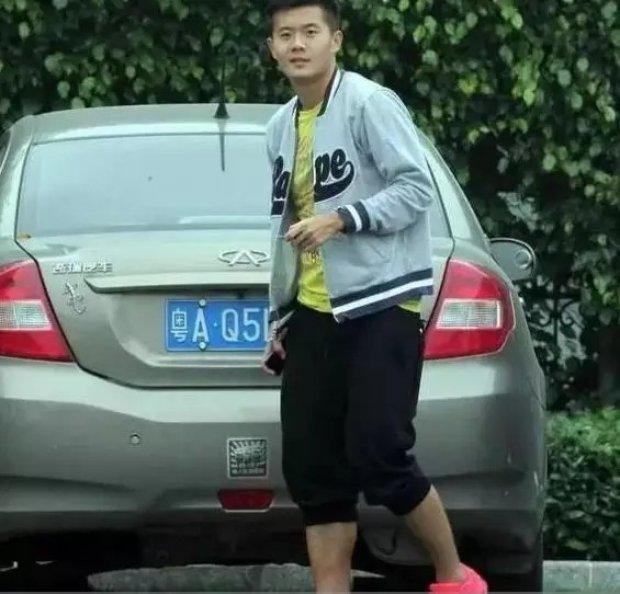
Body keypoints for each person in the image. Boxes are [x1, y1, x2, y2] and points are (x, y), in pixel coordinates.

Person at [262, 1, 488, 592]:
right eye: (285, 35)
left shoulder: (369, 103)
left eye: (310, 32)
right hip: (312, 314)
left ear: (336, 40)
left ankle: (454, 576)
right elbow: (282, 226)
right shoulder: (278, 126)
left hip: (381, 306)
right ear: (272, 48)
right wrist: (280, 316)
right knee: (314, 471)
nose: (298, 44)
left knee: (381, 453)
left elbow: (416, 188)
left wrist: (344, 218)